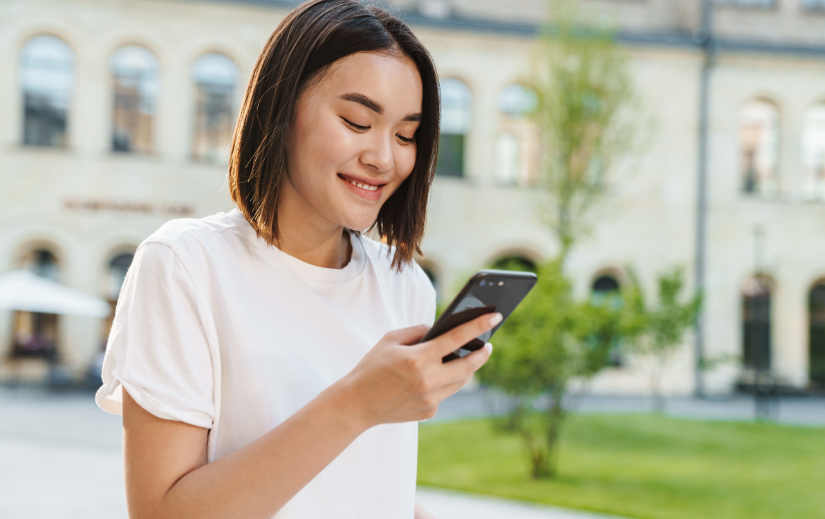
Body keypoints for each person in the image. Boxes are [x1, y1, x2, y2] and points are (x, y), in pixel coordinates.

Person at [95, 1, 498, 517]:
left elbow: (365, 480)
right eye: (357, 122)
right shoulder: (186, 266)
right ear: (281, 108)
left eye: (405, 135)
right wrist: (357, 403)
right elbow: (161, 511)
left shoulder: (406, 285)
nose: (384, 157)